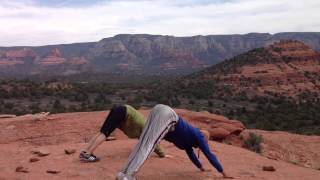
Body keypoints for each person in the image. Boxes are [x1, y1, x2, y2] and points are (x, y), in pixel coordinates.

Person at [117, 104, 233, 180]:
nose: (202, 146)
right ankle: (128, 176)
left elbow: (191, 155)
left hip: (158, 109)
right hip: (168, 117)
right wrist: (223, 173)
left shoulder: (188, 141)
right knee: (148, 146)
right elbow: (209, 155)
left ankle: (123, 173)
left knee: (144, 142)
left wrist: (201, 167)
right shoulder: (200, 136)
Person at [79, 104, 166, 162]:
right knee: (104, 134)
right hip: (123, 112)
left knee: (102, 132)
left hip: (120, 109)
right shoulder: (146, 127)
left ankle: (85, 151)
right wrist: (162, 155)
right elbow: (151, 142)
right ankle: (88, 154)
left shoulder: (145, 124)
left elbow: (145, 140)